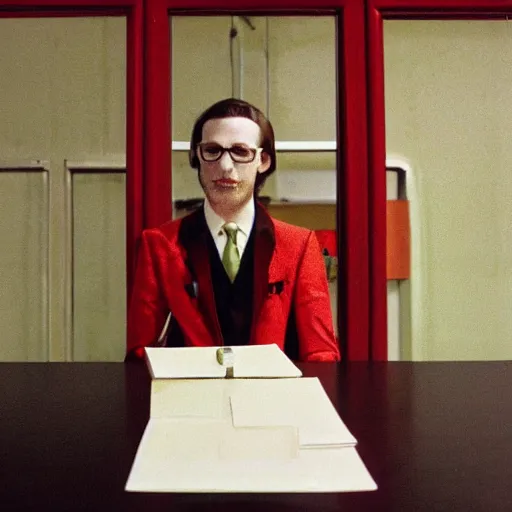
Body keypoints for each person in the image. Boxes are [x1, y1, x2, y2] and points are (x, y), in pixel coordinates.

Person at [126, 98, 340, 362]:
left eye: (240, 151)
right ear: (196, 156)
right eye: (212, 150)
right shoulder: (159, 244)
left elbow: (321, 353)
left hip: (273, 398)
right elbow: (139, 353)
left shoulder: (299, 244)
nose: (226, 166)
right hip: (189, 397)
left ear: (263, 160)